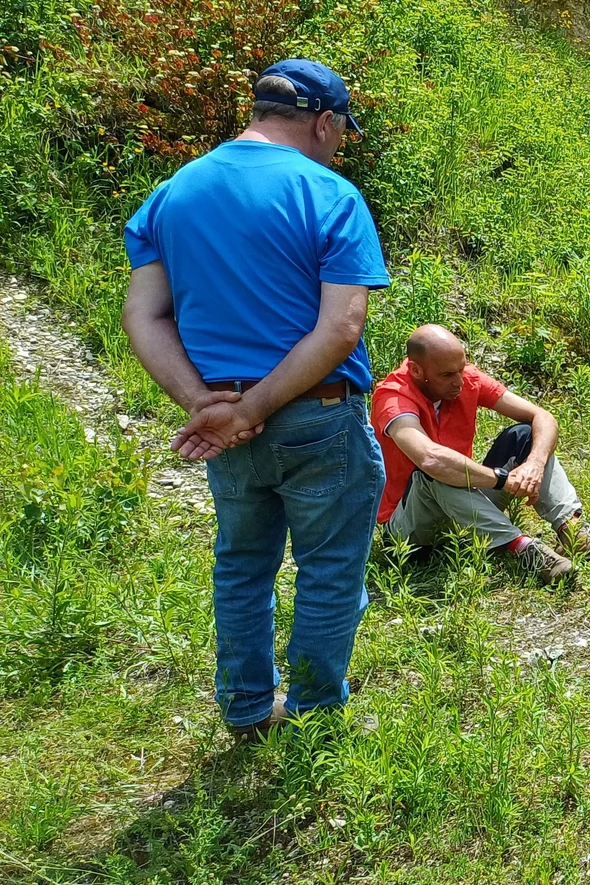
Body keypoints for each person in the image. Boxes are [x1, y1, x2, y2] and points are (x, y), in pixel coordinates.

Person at [120, 60, 387, 742]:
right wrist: (255, 404)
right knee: (328, 569)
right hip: (317, 416)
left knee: (242, 564)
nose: (338, 145)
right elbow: (341, 327)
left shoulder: (171, 195)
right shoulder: (329, 194)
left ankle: (244, 710)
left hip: (227, 424)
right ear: (323, 121)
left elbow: (143, 316)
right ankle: (315, 717)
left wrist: (209, 405)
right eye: (340, 132)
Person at [371, 325, 590, 584]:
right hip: (410, 532)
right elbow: (430, 459)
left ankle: (572, 532)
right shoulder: (393, 397)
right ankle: (523, 549)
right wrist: (502, 479)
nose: (459, 382)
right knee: (438, 469)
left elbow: (542, 417)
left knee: (525, 436)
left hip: (463, 507)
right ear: (416, 370)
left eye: (461, 369)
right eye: (448, 374)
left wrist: (535, 465)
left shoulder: (465, 380)